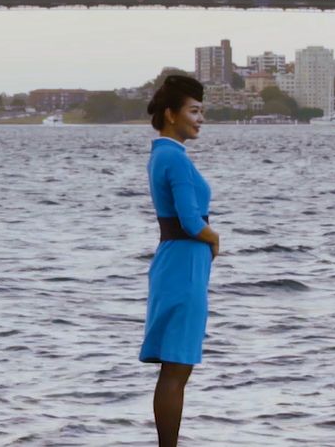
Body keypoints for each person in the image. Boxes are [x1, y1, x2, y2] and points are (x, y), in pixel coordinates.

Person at [140, 75, 220, 447]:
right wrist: (214, 237)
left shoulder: (161, 154)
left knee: (174, 368)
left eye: (202, 111)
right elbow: (190, 221)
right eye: (194, 110)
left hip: (176, 263)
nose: (200, 118)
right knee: (176, 369)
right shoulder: (174, 158)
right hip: (183, 266)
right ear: (171, 114)